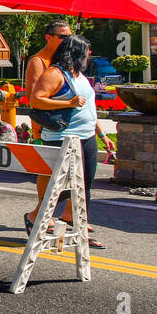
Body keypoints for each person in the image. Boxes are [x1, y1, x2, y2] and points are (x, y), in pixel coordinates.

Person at [26, 35, 112, 249]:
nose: (89, 53)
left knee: (85, 185)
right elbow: (37, 99)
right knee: (60, 187)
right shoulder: (55, 73)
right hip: (63, 138)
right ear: (75, 52)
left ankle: (76, 227)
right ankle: (35, 217)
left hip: (87, 136)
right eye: (86, 50)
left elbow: (89, 108)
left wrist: (101, 134)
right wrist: (70, 101)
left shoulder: (79, 75)